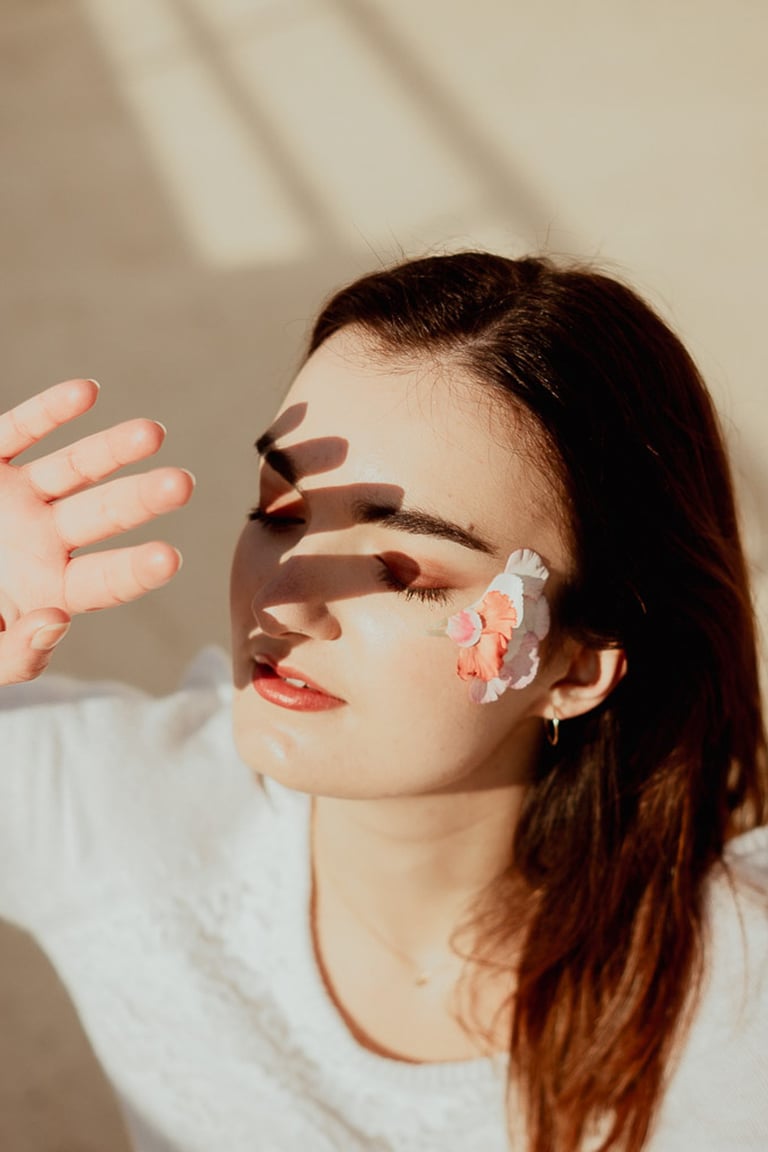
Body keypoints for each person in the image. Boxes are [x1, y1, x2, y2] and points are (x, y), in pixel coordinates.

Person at [0, 252, 766, 1152]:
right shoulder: (114, 813)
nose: (282, 603)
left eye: (402, 573)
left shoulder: (735, 1007)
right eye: (281, 511)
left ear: (576, 668)